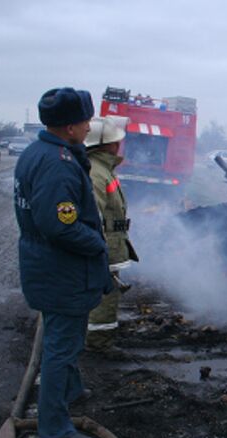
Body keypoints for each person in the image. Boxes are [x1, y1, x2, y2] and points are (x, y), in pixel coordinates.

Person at [14, 87, 112, 438]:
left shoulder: (38, 152)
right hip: (62, 272)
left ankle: (70, 391)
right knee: (61, 348)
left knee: (65, 340)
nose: (89, 128)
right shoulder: (58, 163)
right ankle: (54, 428)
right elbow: (60, 225)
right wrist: (97, 243)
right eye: (86, 121)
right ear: (70, 127)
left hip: (49, 268)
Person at [85, 116, 138, 353]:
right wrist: (99, 248)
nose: (120, 145)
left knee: (106, 295)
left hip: (108, 247)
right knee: (103, 298)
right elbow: (92, 216)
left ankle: (100, 338)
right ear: (106, 145)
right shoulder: (96, 172)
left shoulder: (103, 169)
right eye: (116, 140)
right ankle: (99, 344)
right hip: (102, 249)